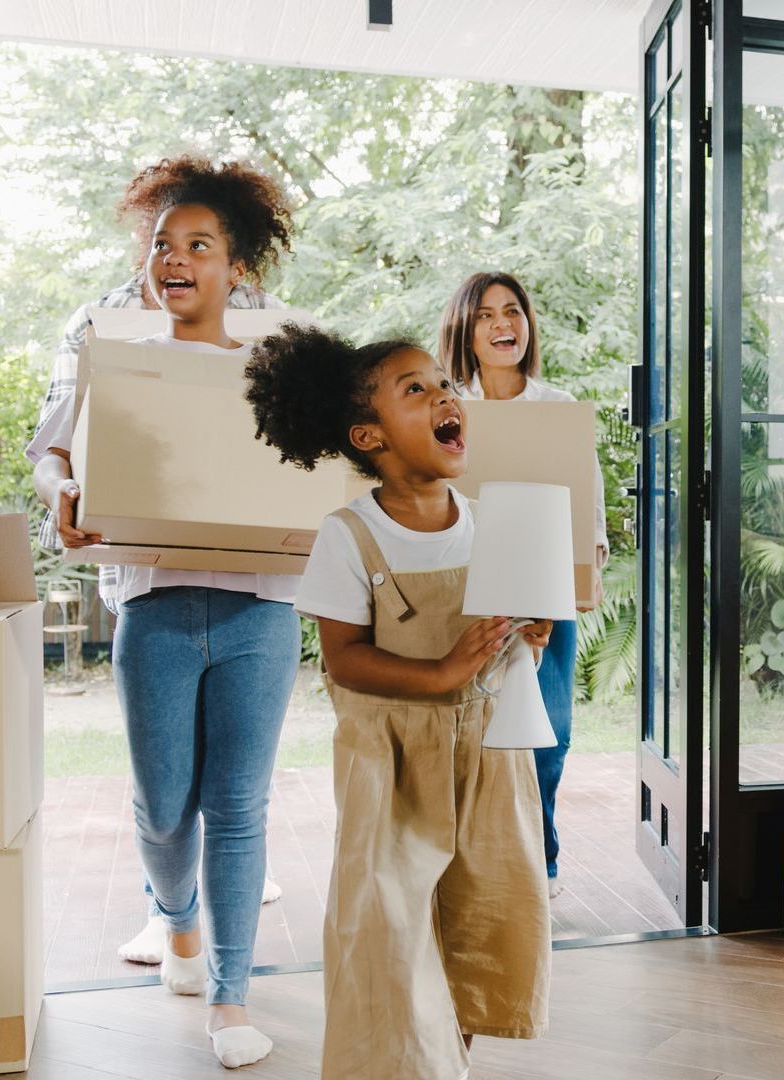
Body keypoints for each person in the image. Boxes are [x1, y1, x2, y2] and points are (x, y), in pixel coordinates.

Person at [28, 157, 300, 1070]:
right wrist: (63, 490)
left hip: (261, 605)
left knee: (238, 807)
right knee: (161, 806)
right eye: (162, 244)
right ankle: (175, 921)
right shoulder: (110, 341)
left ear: (236, 263)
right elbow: (54, 449)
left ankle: (231, 997)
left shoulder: (277, 355)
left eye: (199, 245)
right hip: (151, 598)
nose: (175, 258)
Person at [244, 325, 552, 1080]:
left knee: (480, 921)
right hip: (391, 766)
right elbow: (346, 662)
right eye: (416, 389)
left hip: (486, 760)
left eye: (445, 384)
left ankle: (454, 1064)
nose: (445, 395)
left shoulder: (490, 523)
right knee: (391, 930)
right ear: (369, 435)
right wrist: (443, 672)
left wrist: (529, 636)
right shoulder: (350, 536)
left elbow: (510, 652)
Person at [439, 270, 609, 899]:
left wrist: (577, 586)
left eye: (512, 311)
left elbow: (586, 510)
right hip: (462, 590)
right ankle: (474, 861)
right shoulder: (443, 405)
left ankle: (543, 860)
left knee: (549, 734)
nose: (503, 324)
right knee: (472, 729)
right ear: (464, 327)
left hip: (544, 593)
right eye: (485, 315)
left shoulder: (557, 409)